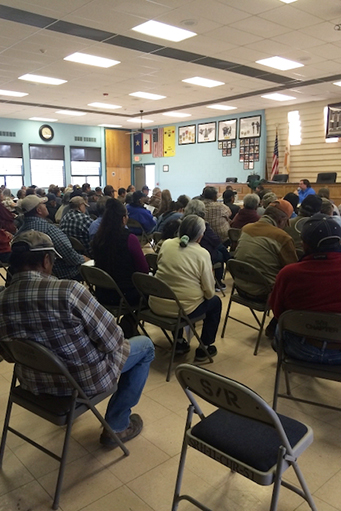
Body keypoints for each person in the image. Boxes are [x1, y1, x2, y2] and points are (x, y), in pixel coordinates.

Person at [0, 230, 154, 447]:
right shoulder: (68, 291)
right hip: (83, 382)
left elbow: (7, 355)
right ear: (46, 260)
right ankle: (117, 426)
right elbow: (112, 341)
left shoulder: (2, 300)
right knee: (146, 346)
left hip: (33, 382)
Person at [270, 213, 341, 364]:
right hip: (338, 353)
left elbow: (277, 313)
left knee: (278, 328)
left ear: (304, 244)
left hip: (299, 348)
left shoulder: (288, 273)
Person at [149, 215, 222, 361]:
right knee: (215, 302)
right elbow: (209, 292)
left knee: (176, 292)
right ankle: (205, 347)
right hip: (183, 309)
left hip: (156, 303)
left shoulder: (167, 244)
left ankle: (179, 341)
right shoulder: (202, 253)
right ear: (200, 236)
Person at [234, 199, 298, 297]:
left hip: (240, 286)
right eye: (286, 223)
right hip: (265, 292)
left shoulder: (246, 228)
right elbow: (293, 271)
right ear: (281, 220)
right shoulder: (282, 237)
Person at [92, 198, 149, 306]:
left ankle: (126, 321)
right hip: (126, 294)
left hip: (102, 293)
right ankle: (128, 321)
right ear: (123, 219)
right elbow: (143, 270)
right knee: (151, 294)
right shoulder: (130, 239)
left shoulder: (98, 238)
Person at [17, 195, 86, 280]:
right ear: (39, 210)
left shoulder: (19, 233)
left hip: (26, 277)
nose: (46, 206)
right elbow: (69, 256)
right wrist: (83, 259)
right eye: (43, 204)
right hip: (59, 274)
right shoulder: (49, 229)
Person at [184, 199, 229, 291]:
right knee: (220, 253)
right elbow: (215, 240)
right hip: (201, 251)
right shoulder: (202, 224)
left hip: (185, 251)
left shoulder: (182, 220)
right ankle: (218, 282)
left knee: (221, 249)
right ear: (202, 211)